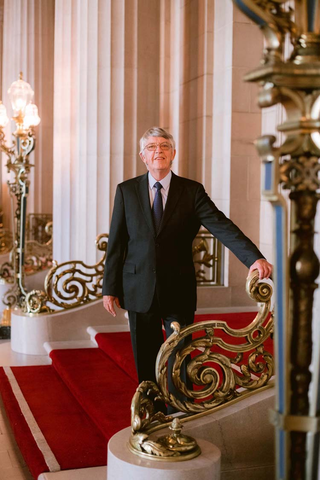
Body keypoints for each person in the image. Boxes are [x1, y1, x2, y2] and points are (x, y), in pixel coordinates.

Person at [102, 126, 272, 396]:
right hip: (138, 286)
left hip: (177, 287)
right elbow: (117, 242)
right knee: (146, 358)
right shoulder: (126, 191)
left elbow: (221, 226)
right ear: (143, 156)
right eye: (152, 147)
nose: (158, 151)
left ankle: (180, 412)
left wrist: (254, 257)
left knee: (181, 356)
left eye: (164, 146)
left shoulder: (191, 191)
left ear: (173, 154)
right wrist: (109, 287)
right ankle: (151, 408)